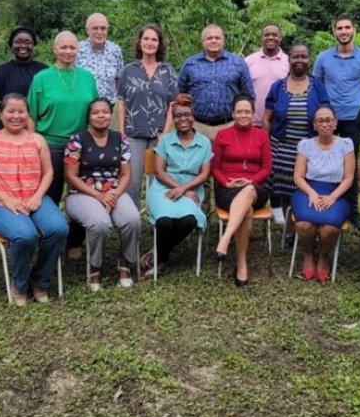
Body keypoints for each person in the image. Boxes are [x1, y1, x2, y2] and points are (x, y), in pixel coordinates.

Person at [0, 94, 69, 305]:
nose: (16, 116)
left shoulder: (38, 140)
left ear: (28, 115)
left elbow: (48, 174)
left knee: (58, 228)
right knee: (25, 235)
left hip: (34, 199)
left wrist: (37, 197)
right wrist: (7, 200)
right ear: (1, 114)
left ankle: (40, 280)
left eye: (21, 112)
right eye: (11, 111)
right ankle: (20, 285)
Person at [64, 98, 141, 291]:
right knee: (99, 224)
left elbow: (125, 174)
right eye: (96, 112)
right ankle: (95, 267)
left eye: (105, 112)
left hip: (114, 191)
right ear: (89, 117)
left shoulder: (120, 139)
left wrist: (114, 194)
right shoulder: (77, 140)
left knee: (132, 219)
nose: (101, 116)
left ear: (110, 114)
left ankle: (124, 264)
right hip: (82, 193)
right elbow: (70, 176)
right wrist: (99, 196)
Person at [312, 15, 360, 228]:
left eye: (347, 27)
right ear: (334, 32)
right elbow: (317, 87)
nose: (343, 31)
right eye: (339, 28)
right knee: (322, 161)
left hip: (353, 118)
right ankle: (325, 201)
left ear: (354, 30)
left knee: (349, 166)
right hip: (327, 118)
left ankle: (352, 210)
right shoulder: (323, 58)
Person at [262, 43, 331, 231]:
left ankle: (303, 222)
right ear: (289, 58)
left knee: (303, 187)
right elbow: (267, 118)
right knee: (283, 188)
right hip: (281, 147)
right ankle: (291, 230)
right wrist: (265, 144)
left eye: (303, 57)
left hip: (309, 148)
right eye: (295, 56)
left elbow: (326, 114)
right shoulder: (277, 87)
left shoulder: (318, 86)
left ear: (309, 59)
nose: (299, 60)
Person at [142, 94, 213, 277]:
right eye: (178, 116)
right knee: (164, 221)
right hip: (163, 188)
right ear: (173, 119)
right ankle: (163, 260)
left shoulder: (204, 143)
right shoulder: (166, 140)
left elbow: (204, 174)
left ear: (193, 116)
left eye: (187, 114)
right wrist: (181, 189)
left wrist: (185, 190)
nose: (183, 119)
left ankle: (157, 252)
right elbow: (159, 171)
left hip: (192, 189)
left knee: (189, 220)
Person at [27, 30, 99, 207]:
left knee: (82, 192)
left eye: (72, 47)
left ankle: (76, 232)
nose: (68, 51)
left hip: (81, 143)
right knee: (51, 192)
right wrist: (32, 145)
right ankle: (51, 231)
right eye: (64, 47)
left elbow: (95, 112)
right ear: (55, 49)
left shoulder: (87, 77)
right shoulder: (41, 78)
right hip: (51, 145)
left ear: (78, 50)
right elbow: (30, 115)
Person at [212, 94, 272, 289]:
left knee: (248, 191)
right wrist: (227, 183)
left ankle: (225, 238)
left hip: (257, 188)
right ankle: (241, 264)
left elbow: (266, 168)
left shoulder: (262, 135)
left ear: (253, 114)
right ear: (233, 113)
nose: (243, 114)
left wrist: (250, 181)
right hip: (227, 189)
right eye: (239, 111)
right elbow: (215, 168)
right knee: (246, 210)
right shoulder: (222, 136)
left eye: (247, 111)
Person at [290, 105, 355, 282]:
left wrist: (333, 197)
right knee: (304, 224)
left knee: (330, 227)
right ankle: (309, 253)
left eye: (328, 120)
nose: (325, 124)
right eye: (320, 120)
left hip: (336, 192)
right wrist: (311, 193)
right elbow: (298, 176)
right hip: (307, 190)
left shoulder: (346, 145)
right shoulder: (305, 145)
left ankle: (324, 255)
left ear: (335, 123)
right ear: (314, 125)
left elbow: (349, 177)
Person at [117, 24, 178, 209]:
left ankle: (155, 222)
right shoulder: (129, 70)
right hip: (133, 134)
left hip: (158, 136)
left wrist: (166, 133)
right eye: (146, 39)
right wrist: (122, 133)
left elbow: (173, 104)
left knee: (156, 182)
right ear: (140, 42)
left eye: (154, 39)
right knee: (132, 182)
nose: (150, 43)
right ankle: (133, 220)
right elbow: (122, 102)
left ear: (159, 44)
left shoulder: (167, 70)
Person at [178, 24, 255, 140]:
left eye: (217, 38)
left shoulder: (238, 63)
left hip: (229, 126)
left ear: (223, 40)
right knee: (200, 159)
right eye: (209, 38)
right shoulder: (189, 64)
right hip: (197, 127)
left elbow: (249, 94)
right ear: (202, 41)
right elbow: (179, 93)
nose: (214, 41)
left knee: (228, 159)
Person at [0, 26, 47, 131]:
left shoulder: (44, 71)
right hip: (5, 128)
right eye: (18, 42)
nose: (23, 45)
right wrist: (9, 115)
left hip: (37, 129)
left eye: (28, 42)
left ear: (33, 45)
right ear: (11, 45)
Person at [244, 24, 289, 127]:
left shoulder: (288, 62)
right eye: (267, 35)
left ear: (280, 38)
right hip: (252, 123)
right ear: (261, 38)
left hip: (279, 123)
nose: (270, 37)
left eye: (274, 35)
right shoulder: (248, 61)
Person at [76, 12, 124, 105]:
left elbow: (119, 80)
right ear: (87, 30)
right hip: (83, 105)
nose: (99, 32)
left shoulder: (115, 50)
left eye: (103, 28)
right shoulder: (77, 50)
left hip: (109, 107)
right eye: (95, 28)